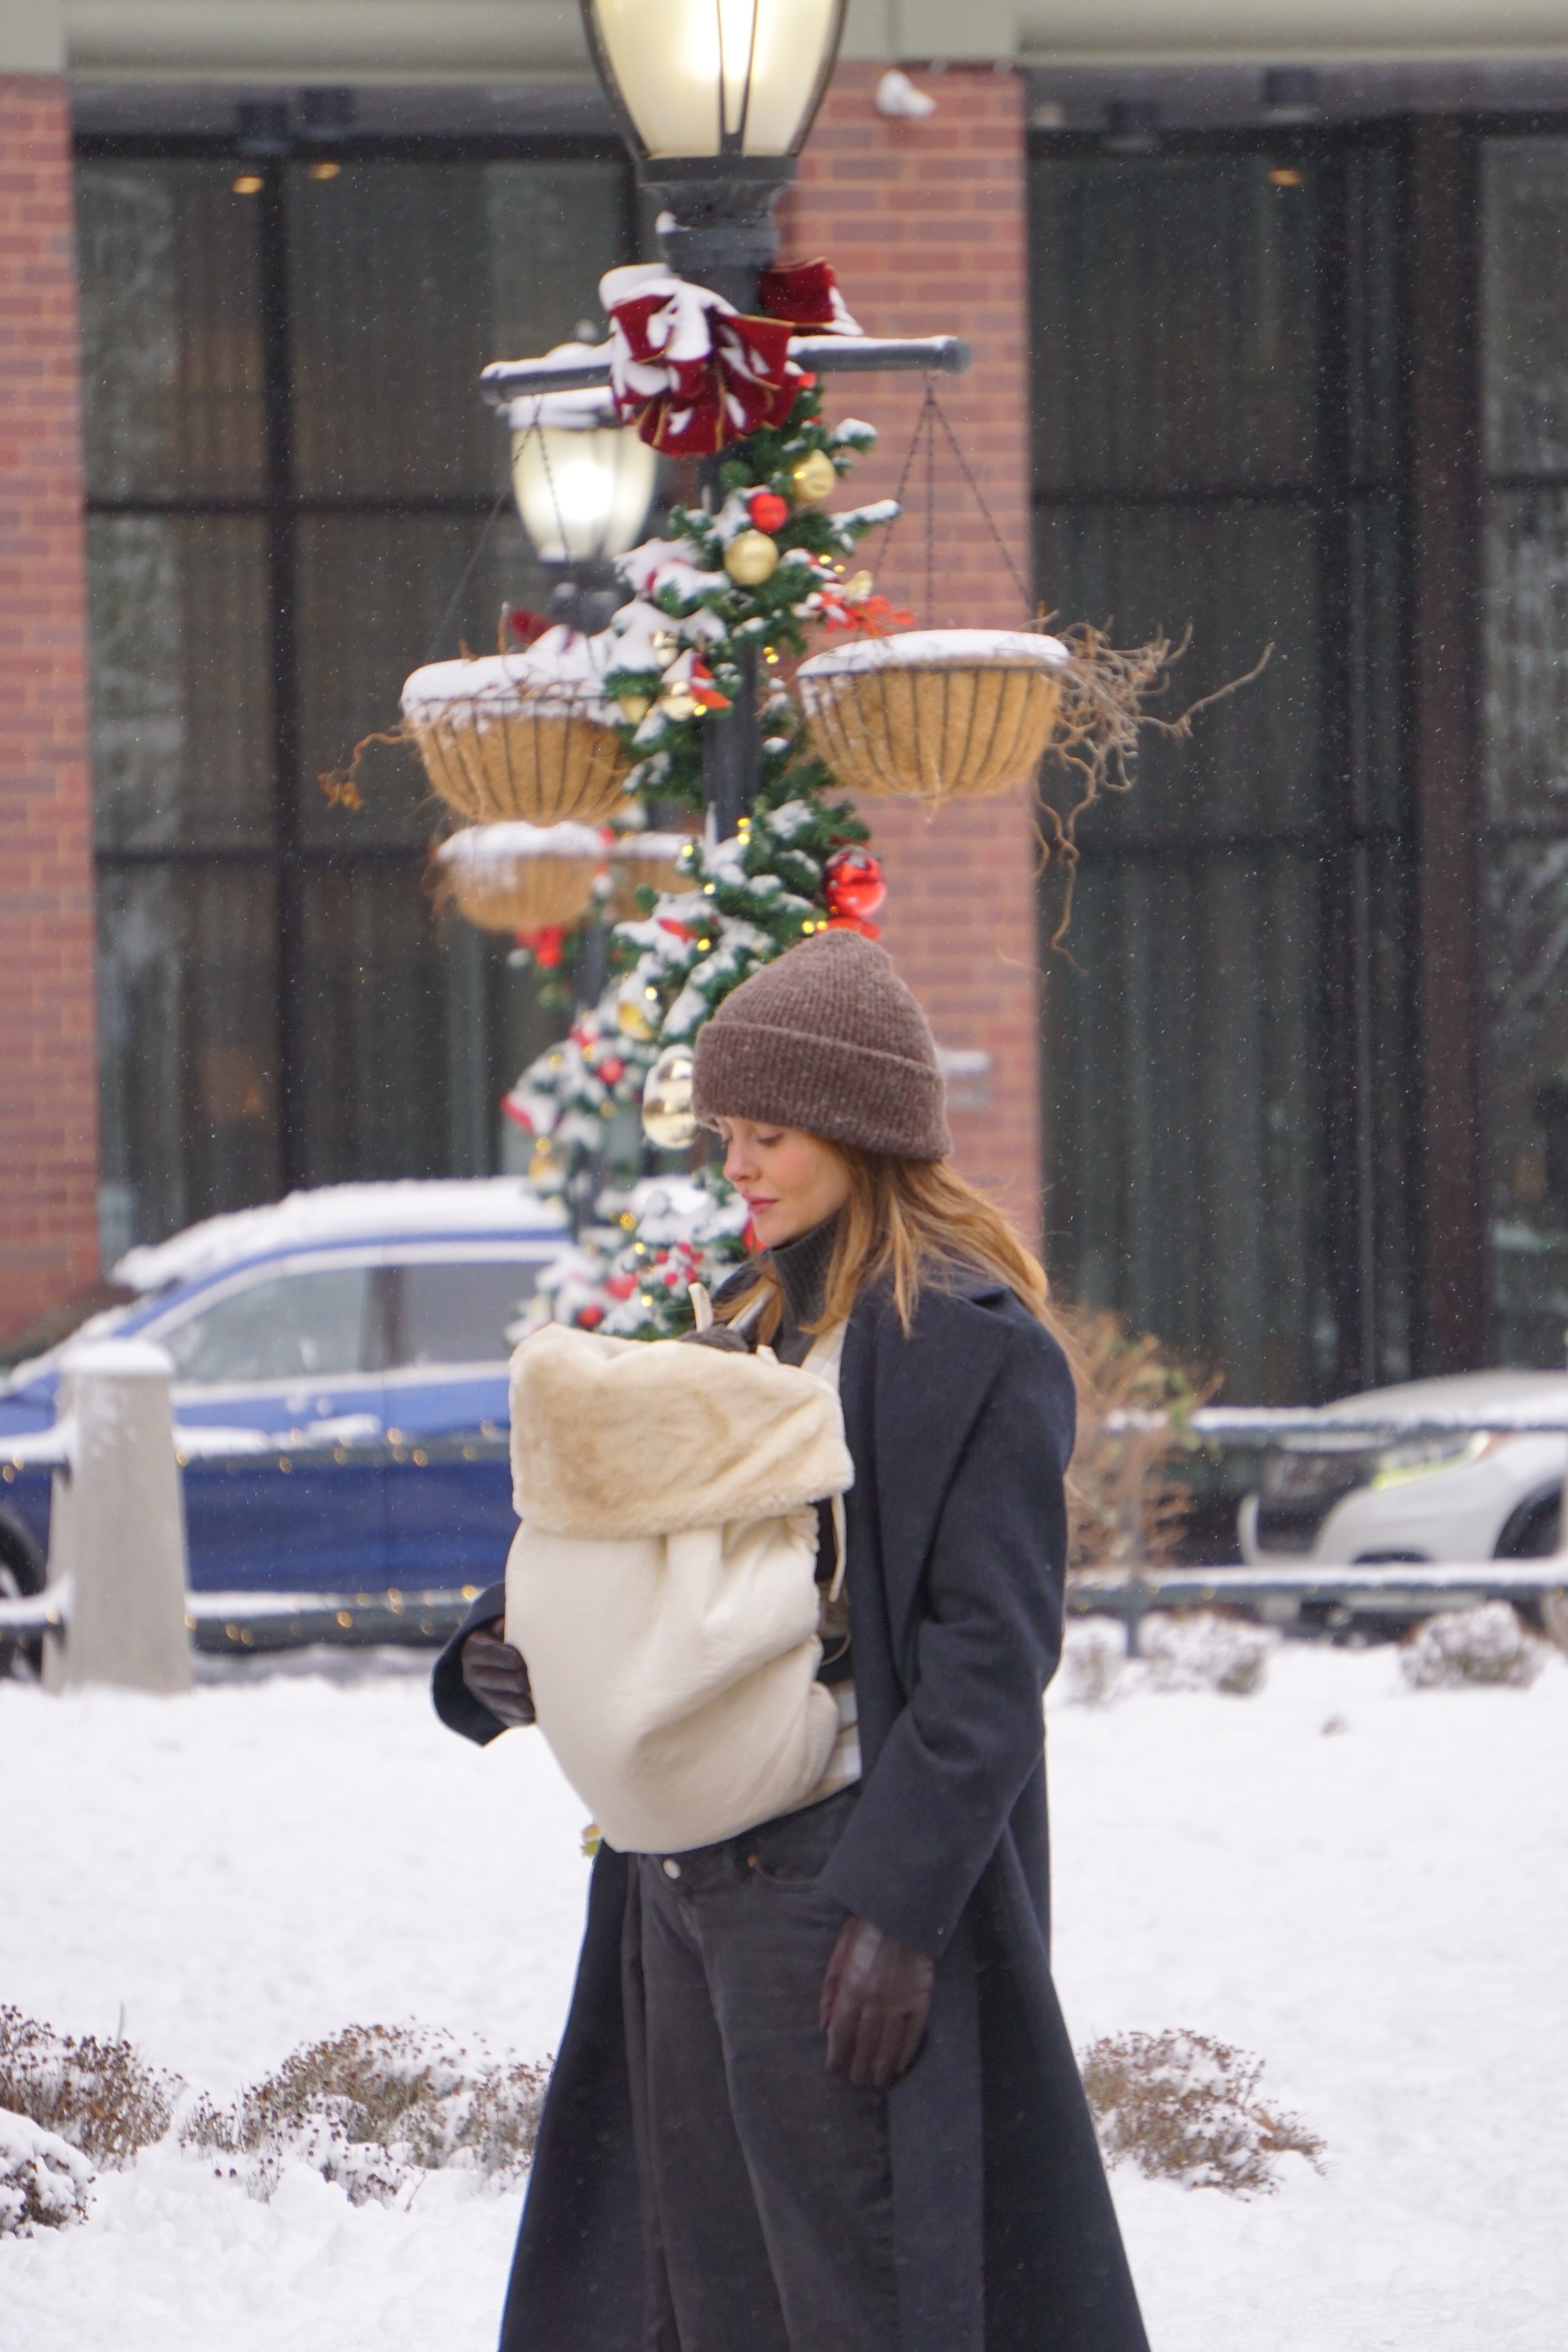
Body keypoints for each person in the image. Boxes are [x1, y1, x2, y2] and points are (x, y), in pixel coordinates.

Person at [433, 929, 1149, 2352]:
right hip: (674, 1893)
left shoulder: (971, 1347)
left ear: (866, 1131)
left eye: (772, 1134)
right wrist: (494, 1655)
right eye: (730, 1135)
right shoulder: (747, 1321)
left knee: (858, 2297)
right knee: (708, 2304)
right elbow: (633, 1545)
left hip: (831, 1892)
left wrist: (896, 1917)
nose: (740, 1165)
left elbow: (990, 1669)